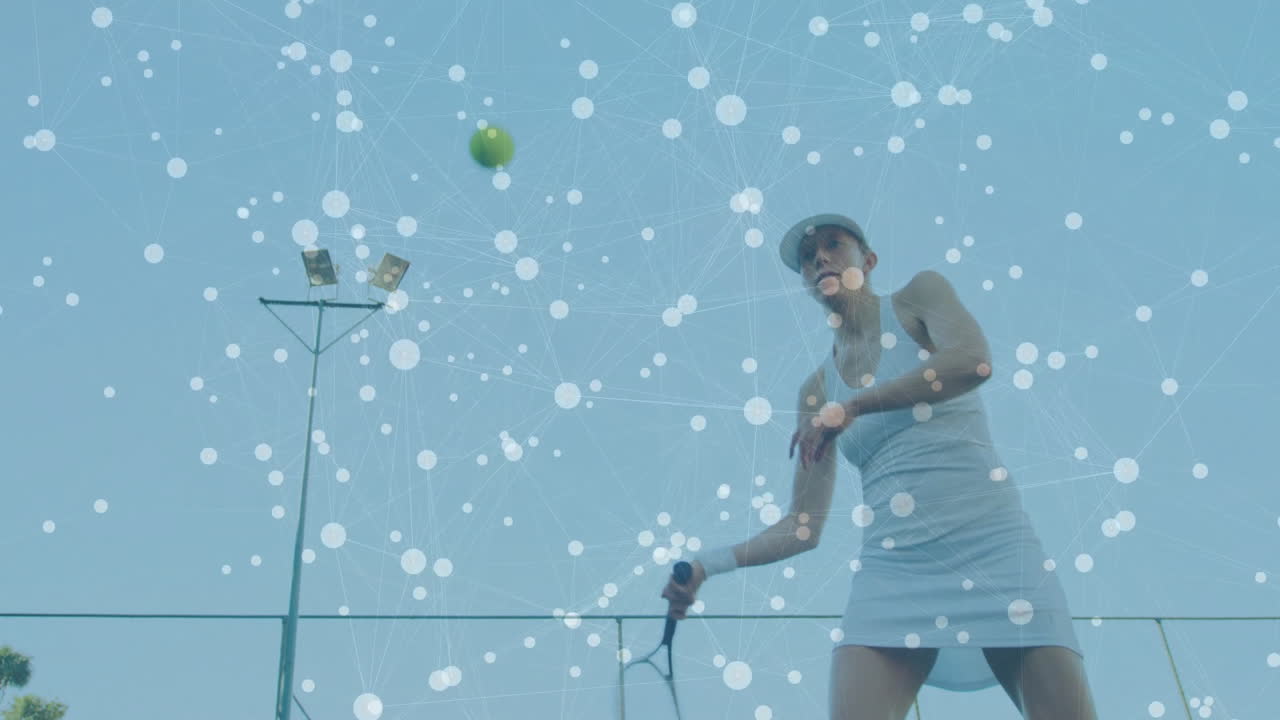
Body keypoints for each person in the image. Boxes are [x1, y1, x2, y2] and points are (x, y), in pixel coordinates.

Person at [661, 214, 1100, 720]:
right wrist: (704, 565)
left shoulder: (918, 297)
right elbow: (802, 529)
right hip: (894, 574)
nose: (820, 258)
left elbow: (972, 362)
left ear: (866, 261)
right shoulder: (816, 390)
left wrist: (854, 407)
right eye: (808, 257)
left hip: (998, 553)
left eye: (833, 245)